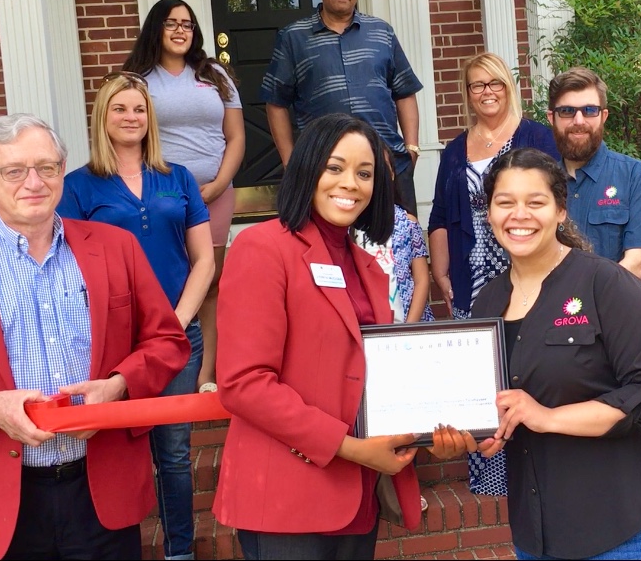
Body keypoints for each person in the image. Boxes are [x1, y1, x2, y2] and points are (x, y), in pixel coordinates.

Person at [0, 113, 190, 560]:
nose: (34, 182)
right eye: (14, 171)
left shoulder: (114, 248)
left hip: (99, 486)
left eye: (47, 168)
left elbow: (167, 341)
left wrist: (118, 385)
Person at [213, 113, 473, 560]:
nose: (350, 183)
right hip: (285, 499)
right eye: (335, 167)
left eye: (365, 172)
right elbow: (244, 383)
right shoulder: (262, 248)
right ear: (308, 168)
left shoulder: (369, 267)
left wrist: (442, 420)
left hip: (356, 496)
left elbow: (374, 374)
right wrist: (351, 448)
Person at [470, 147, 641, 560]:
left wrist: (546, 417)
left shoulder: (607, 284)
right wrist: (475, 431)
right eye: (505, 202)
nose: (519, 215)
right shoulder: (487, 303)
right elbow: (492, 406)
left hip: (619, 532)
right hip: (537, 536)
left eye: (536, 202)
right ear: (489, 212)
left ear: (561, 210)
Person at [58, 72, 216, 561]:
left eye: (139, 109)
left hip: (176, 337)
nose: (131, 118)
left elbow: (204, 259)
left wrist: (176, 321)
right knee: (112, 453)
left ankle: (179, 553)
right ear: (102, 117)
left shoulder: (178, 178)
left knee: (172, 453)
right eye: (120, 109)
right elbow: (71, 267)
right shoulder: (78, 187)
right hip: (111, 342)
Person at [427, 51, 558, 496]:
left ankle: (542, 471)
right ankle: (492, 480)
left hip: (529, 273)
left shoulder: (536, 136)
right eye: (477, 85)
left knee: (531, 367)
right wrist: (441, 273)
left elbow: (559, 200)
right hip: (471, 279)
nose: (487, 92)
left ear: (508, 87)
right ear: (467, 94)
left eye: (495, 83)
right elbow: (440, 216)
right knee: (481, 378)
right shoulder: (454, 150)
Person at [122, 0, 245, 394]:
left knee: (211, 281)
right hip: (163, 200)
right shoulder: (138, 79)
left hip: (215, 193)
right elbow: (130, 135)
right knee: (171, 280)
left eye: (187, 24)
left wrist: (220, 182)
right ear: (155, 28)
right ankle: (166, 361)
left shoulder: (215, 76)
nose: (180, 30)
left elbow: (236, 136)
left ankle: (208, 371)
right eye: (171, 23)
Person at [260, 0, 424, 216]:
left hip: (387, 165)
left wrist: (412, 149)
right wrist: (292, 162)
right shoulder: (294, 37)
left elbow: (404, 91)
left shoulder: (382, 32)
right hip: (323, 169)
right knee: (329, 250)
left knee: (398, 248)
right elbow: (275, 102)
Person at [545, 67, 641, 297]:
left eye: (589, 110)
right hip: (555, 324)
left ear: (603, 116)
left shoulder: (637, 176)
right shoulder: (540, 184)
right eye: (566, 111)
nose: (578, 120)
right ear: (551, 118)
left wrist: (582, 303)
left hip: (620, 319)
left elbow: (639, 264)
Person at [354, 142, 435, 323]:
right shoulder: (350, 224)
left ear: (392, 173)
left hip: (407, 322)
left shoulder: (407, 222)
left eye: (383, 168)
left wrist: (409, 327)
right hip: (368, 326)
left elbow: (421, 279)